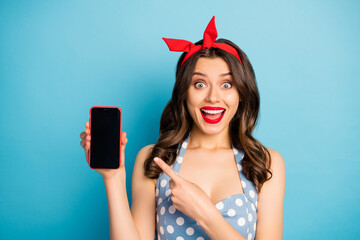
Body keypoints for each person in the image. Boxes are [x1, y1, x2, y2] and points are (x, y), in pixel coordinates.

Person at [80, 16, 285, 240]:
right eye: (199, 84)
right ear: (184, 94)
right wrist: (113, 179)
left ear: (242, 94)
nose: (213, 97)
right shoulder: (155, 159)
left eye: (227, 84)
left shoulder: (265, 162)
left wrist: (204, 213)